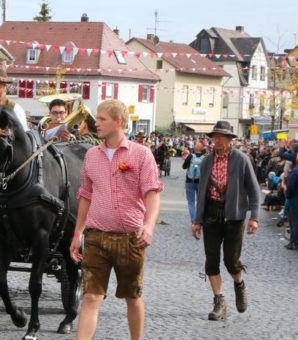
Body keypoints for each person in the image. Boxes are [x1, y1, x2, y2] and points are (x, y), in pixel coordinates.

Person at [69, 100, 163, 340]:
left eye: (102, 119)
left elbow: (152, 193)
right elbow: (85, 196)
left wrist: (149, 225)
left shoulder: (141, 154)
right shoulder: (91, 155)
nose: (96, 123)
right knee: (91, 297)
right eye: (97, 119)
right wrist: (77, 233)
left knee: (132, 296)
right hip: (96, 236)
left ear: (118, 122)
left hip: (130, 238)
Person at [191, 120, 260, 321]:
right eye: (215, 136)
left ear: (230, 139)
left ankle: (239, 284)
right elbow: (201, 191)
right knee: (211, 260)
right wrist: (197, 219)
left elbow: (254, 191)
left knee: (231, 261)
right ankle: (219, 301)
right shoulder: (206, 161)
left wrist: (254, 218)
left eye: (222, 136)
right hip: (212, 213)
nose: (218, 140)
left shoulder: (241, 159)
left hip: (234, 215)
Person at [182, 142, 207, 222]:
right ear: (202, 149)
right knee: (200, 201)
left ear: (194, 149)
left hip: (189, 181)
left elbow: (184, 167)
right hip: (200, 182)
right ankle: (200, 219)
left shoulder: (190, 156)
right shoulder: (205, 158)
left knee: (191, 202)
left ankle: (193, 219)